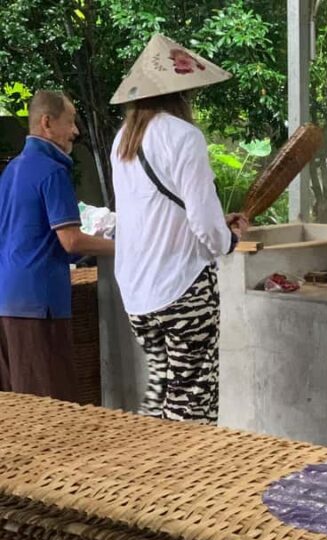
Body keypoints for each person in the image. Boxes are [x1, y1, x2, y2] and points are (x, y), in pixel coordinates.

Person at [109, 34, 248, 425]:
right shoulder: (184, 137)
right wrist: (228, 239)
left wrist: (216, 225)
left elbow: (155, 215)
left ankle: (151, 475)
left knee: (160, 395)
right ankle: (185, 481)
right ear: (179, 92)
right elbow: (205, 227)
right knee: (192, 403)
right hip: (181, 288)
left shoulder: (123, 140)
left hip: (137, 291)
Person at [0, 90, 114, 402]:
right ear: (47, 123)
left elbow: (30, 236)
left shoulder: (11, 170)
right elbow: (71, 240)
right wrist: (125, 246)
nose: (75, 131)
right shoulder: (53, 170)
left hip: (8, 298)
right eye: (70, 122)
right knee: (51, 405)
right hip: (40, 302)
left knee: (16, 401)